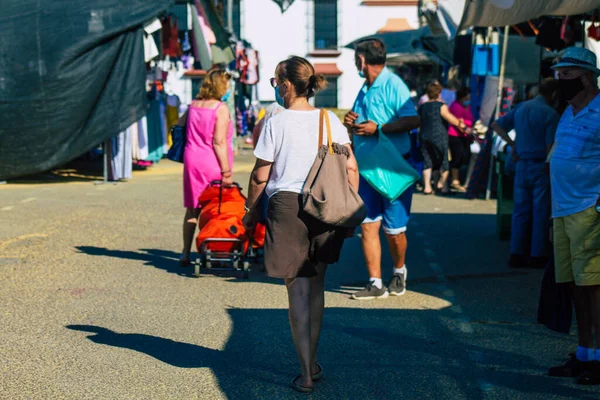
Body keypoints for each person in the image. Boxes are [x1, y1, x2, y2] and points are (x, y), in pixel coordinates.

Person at [242, 56, 359, 393]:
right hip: (324, 207)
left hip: (287, 207)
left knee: (297, 290)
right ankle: (315, 362)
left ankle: (305, 372)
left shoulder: (275, 123)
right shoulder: (330, 122)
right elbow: (351, 167)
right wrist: (347, 203)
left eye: (275, 80)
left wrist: (251, 210)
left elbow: (260, 175)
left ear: (286, 84)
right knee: (318, 287)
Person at [343, 39, 420, 300]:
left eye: (356, 58)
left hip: (393, 168)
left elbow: (413, 119)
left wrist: (380, 128)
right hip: (367, 169)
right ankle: (375, 283)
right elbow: (356, 119)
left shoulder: (393, 84)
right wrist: (349, 121)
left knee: (394, 231)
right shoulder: (365, 88)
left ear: (362, 60)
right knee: (367, 226)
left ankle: (399, 271)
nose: (355, 62)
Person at [546, 47, 600, 386]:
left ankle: (599, 358)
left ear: (586, 76)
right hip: (562, 211)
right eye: (558, 74)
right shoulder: (567, 111)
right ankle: (584, 352)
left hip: (588, 211)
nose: (559, 80)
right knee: (574, 286)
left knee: (594, 288)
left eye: (566, 74)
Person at [491, 78, 559, 269]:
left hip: (521, 163)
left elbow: (496, 125)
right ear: (554, 94)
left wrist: (512, 145)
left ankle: (516, 253)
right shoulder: (550, 114)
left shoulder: (521, 108)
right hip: (540, 166)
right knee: (540, 212)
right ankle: (537, 254)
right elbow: (549, 147)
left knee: (520, 211)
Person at [180, 69, 234, 266]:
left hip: (192, 159)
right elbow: (218, 142)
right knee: (215, 207)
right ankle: (213, 250)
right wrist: (226, 171)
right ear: (220, 86)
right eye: (227, 85)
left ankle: (185, 253)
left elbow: (179, 125)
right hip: (211, 161)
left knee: (192, 208)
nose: (228, 89)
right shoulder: (220, 108)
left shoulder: (193, 106)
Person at [418, 81, 466, 195]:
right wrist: (461, 125)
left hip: (424, 135)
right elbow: (449, 118)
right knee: (443, 160)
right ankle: (443, 186)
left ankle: (427, 187)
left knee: (428, 161)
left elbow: (418, 121)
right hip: (439, 135)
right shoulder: (441, 105)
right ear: (439, 93)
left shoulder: (422, 106)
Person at [447, 87, 474, 192]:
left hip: (464, 136)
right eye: (467, 97)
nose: (469, 99)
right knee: (457, 157)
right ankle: (455, 180)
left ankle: (456, 179)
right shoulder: (456, 106)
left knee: (463, 157)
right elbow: (458, 122)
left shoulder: (467, 106)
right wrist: (466, 130)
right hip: (455, 135)